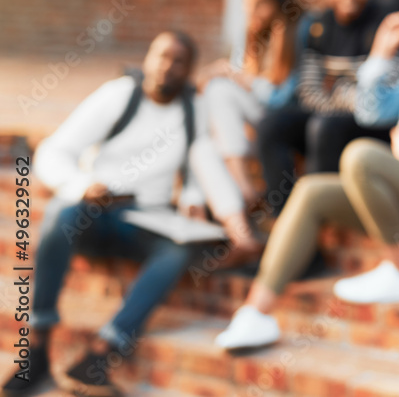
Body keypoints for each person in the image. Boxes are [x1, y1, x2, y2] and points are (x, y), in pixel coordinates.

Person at [214, 0, 399, 350]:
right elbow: (370, 112)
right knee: (310, 191)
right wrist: (379, 56)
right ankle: (255, 313)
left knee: (361, 156)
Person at [1, 32, 248, 396]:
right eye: (162, 56)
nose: (168, 66)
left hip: (146, 219)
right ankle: (37, 347)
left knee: (178, 251)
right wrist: (83, 185)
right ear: (147, 58)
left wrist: (194, 199)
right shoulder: (118, 95)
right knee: (61, 211)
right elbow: (53, 152)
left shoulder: (193, 109)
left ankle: (99, 356)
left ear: (189, 70)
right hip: (94, 213)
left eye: (179, 60)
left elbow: (198, 166)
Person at [255, 0, 399, 214]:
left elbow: (382, 101)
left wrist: (336, 88)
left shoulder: (385, 25)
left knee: (324, 126)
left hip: (373, 130)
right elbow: (308, 91)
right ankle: (282, 214)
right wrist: (350, 92)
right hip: (328, 121)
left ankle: (318, 213)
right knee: (271, 124)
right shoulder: (319, 26)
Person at [196, 0, 307, 207]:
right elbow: (239, 71)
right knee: (203, 147)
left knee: (220, 91)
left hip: (282, 120)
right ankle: (237, 200)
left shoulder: (299, 31)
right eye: (247, 1)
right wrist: (221, 72)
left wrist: (240, 78)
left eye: (261, 2)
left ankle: (246, 193)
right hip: (249, 121)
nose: (251, 9)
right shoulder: (250, 31)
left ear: (280, 1)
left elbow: (281, 97)